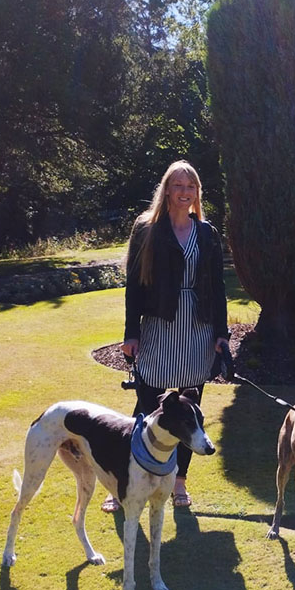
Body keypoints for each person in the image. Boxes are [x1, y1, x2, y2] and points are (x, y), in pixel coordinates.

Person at [102, 160, 229, 512]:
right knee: (146, 410)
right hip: (160, 325)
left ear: (196, 193)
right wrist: (131, 332)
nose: (184, 192)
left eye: (191, 186)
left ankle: (179, 484)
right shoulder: (147, 229)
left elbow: (217, 288)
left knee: (190, 415)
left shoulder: (207, 233)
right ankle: (122, 482)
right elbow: (134, 285)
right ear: (167, 190)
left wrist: (222, 333)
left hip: (197, 329)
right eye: (178, 185)